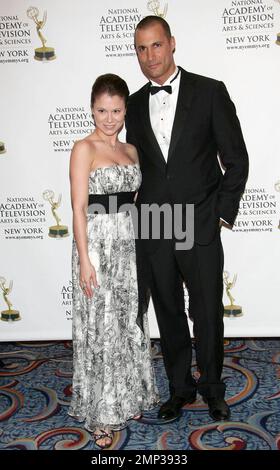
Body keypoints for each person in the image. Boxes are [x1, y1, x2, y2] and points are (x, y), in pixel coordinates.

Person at [126, 16, 249, 422]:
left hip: (199, 221)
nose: (150, 57)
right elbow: (136, 167)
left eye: (156, 46)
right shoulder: (133, 104)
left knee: (208, 311)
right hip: (156, 223)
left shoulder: (210, 92)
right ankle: (180, 389)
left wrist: (220, 214)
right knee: (169, 312)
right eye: (141, 48)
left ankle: (213, 389)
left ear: (172, 43)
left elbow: (236, 160)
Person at [68, 74, 159, 449]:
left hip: (129, 245)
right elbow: (77, 207)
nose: (109, 118)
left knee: (126, 321)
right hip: (97, 248)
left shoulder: (132, 151)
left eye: (116, 110)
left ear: (125, 110)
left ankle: (128, 396)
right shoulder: (83, 149)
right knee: (100, 326)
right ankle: (102, 414)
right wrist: (86, 260)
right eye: (102, 110)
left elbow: (134, 203)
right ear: (92, 109)